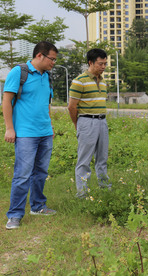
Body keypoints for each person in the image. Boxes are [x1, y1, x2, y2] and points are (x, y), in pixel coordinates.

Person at [3, 41, 58, 230]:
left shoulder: (48, 76)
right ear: (40, 55)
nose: (53, 63)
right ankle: (15, 215)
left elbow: (46, 103)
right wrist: (10, 128)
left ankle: (38, 206)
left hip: (45, 133)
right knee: (22, 175)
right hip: (25, 133)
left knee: (41, 172)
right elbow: (6, 100)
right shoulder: (19, 72)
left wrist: (49, 124)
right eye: (52, 59)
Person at [68, 49, 111, 198]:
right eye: (100, 63)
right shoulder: (79, 81)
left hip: (102, 121)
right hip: (87, 121)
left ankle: (105, 188)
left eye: (105, 63)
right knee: (84, 160)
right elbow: (72, 106)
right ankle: (82, 193)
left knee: (102, 158)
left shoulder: (103, 82)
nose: (103, 66)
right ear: (90, 62)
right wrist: (77, 123)